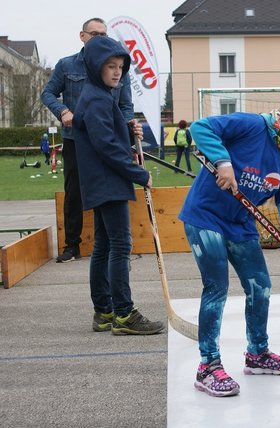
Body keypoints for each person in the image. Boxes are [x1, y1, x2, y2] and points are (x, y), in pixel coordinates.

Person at [178, 86, 280, 397]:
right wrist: (222, 162)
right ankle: (208, 366)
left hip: (241, 224)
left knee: (261, 286)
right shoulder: (251, 125)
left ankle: (257, 354)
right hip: (205, 216)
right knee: (217, 286)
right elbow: (201, 127)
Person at [71, 35, 165, 336]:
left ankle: (104, 311)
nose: (116, 72)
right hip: (107, 180)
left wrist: (126, 127)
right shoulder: (97, 98)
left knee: (104, 245)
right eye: (110, 66)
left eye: (120, 67)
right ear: (95, 66)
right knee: (120, 245)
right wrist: (138, 174)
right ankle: (124, 314)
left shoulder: (96, 96)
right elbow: (106, 146)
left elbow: (103, 133)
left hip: (101, 181)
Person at [41, 18, 135, 263]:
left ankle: (114, 243)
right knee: (74, 191)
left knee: (112, 191)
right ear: (82, 36)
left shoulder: (116, 67)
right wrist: (63, 112)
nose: (99, 38)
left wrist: (126, 129)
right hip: (76, 139)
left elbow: (126, 106)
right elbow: (47, 92)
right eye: (94, 33)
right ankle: (72, 244)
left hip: (108, 139)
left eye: (103, 34)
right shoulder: (66, 65)